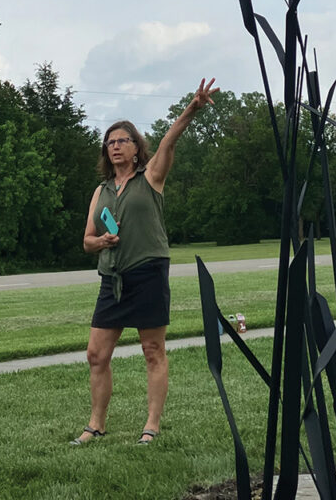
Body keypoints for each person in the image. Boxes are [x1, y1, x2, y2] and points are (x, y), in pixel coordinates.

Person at [71, 78, 218, 446]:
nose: (115, 146)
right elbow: (87, 241)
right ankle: (96, 424)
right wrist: (101, 241)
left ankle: (151, 426)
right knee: (96, 353)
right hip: (113, 278)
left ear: (137, 148)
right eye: (110, 142)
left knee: (153, 350)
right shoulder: (101, 191)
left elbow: (169, 141)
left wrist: (192, 108)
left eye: (123, 140)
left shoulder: (151, 178)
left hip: (148, 272)